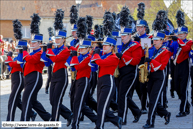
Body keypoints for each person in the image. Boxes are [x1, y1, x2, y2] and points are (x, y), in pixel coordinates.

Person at [91, 36, 122, 129]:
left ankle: (99, 126)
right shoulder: (103, 55)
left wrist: (96, 55)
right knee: (100, 106)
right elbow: (94, 64)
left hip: (108, 82)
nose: (103, 47)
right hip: (100, 81)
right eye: (103, 45)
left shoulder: (114, 57)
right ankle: (116, 120)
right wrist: (93, 53)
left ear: (112, 47)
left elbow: (101, 63)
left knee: (102, 107)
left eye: (106, 45)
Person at [19, 33, 51, 121]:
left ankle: (24, 121)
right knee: (33, 101)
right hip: (28, 77)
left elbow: (31, 60)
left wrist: (24, 52)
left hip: (35, 77)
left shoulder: (40, 53)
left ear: (39, 43)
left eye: (34, 43)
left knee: (26, 99)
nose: (31, 44)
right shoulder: (31, 53)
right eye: (31, 42)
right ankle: (48, 117)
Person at [143, 30, 171, 129]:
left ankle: (150, 122)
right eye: (153, 40)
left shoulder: (166, 52)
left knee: (153, 100)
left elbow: (162, 66)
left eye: (156, 40)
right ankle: (166, 113)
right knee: (151, 99)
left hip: (160, 76)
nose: (154, 42)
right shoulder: (151, 50)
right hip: (151, 75)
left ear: (162, 41)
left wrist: (151, 61)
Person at [116, 26, 142, 125]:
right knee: (123, 95)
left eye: (124, 35)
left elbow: (136, 61)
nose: (122, 37)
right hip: (120, 72)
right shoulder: (119, 44)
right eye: (121, 35)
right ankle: (136, 111)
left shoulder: (136, 45)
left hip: (130, 72)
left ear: (130, 35)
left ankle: (121, 118)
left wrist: (122, 56)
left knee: (123, 95)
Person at [5, 40, 37, 121]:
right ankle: (31, 113)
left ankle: (10, 120)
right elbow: (8, 65)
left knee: (12, 99)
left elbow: (14, 64)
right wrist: (9, 59)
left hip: (19, 77)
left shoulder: (24, 56)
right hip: (14, 77)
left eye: (18, 48)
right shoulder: (18, 55)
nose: (16, 50)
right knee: (17, 100)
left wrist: (9, 58)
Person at [169, 10, 192, 117]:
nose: (180, 35)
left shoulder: (189, 42)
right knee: (177, 88)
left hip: (185, 67)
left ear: (186, 34)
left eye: (182, 34)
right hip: (176, 66)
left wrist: (178, 40)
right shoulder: (176, 42)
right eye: (179, 34)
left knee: (183, 88)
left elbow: (186, 48)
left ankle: (182, 110)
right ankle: (186, 104)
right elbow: (169, 51)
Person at [70, 38, 97, 129]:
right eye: (80, 48)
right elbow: (72, 68)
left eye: (83, 48)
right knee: (78, 103)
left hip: (84, 80)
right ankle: (96, 119)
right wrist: (72, 57)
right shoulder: (79, 57)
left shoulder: (89, 58)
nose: (80, 49)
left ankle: (75, 124)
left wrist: (74, 58)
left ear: (88, 49)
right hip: (77, 80)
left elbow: (78, 67)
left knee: (78, 103)